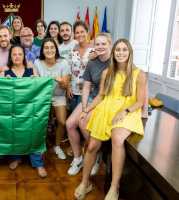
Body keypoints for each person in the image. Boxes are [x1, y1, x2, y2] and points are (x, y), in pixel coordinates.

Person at [74, 39, 146, 200]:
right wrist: (86, 110)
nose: (121, 53)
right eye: (118, 50)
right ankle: (85, 183)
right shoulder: (108, 73)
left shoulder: (139, 74)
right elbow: (101, 96)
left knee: (117, 139)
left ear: (129, 53)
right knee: (92, 147)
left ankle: (114, 187)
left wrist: (125, 111)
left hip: (127, 110)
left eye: (124, 50)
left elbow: (140, 102)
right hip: (106, 109)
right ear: (113, 53)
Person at [66, 33, 112, 176]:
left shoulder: (116, 61)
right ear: (94, 46)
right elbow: (86, 87)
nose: (100, 47)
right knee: (69, 123)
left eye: (103, 44)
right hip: (93, 97)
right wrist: (84, 107)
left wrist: (85, 112)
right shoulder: (92, 62)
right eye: (97, 44)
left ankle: (94, 151)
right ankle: (78, 158)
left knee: (82, 121)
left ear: (110, 45)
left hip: (107, 100)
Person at [0, 45, 46, 178]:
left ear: (24, 56)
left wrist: (34, 82)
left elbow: (40, 89)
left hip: (30, 111)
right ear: (10, 57)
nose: (17, 56)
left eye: (20, 54)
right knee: (13, 133)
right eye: (14, 54)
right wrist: (3, 81)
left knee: (34, 133)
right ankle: (16, 158)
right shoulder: (6, 72)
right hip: (12, 111)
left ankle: (38, 163)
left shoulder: (31, 69)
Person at [34, 38, 69, 160]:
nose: (49, 50)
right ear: (42, 50)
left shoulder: (63, 62)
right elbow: (37, 85)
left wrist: (61, 82)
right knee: (39, 121)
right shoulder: (37, 62)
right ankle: (39, 146)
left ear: (56, 49)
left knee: (62, 122)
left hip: (59, 95)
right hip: (43, 96)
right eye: (46, 48)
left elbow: (65, 87)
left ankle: (57, 146)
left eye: (52, 47)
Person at [67, 20, 95, 112]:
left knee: (81, 118)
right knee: (72, 116)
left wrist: (97, 53)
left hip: (88, 91)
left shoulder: (94, 49)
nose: (80, 35)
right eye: (77, 32)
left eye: (82, 32)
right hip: (73, 90)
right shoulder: (72, 49)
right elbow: (68, 70)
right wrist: (68, 88)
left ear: (87, 32)